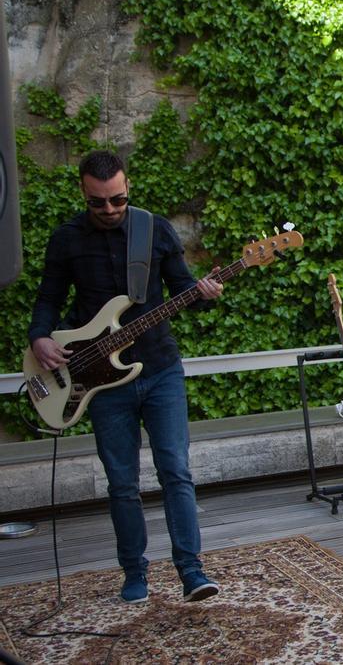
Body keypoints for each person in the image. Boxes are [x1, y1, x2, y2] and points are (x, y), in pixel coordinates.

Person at [28, 150, 223, 604]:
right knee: (122, 482)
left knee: (176, 470)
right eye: (99, 203)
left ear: (127, 186)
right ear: (83, 192)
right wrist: (40, 337)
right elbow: (48, 298)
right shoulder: (66, 239)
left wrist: (205, 293)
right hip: (96, 378)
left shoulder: (153, 229)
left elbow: (183, 290)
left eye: (117, 199)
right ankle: (134, 573)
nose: (110, 210)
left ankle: (191, 572)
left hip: (158, 368)